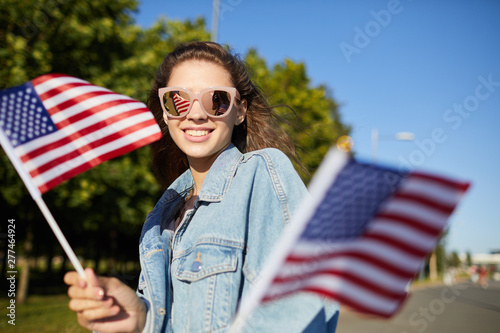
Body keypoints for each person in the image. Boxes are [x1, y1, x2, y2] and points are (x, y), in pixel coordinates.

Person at [64, 41, 339, 332]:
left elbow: (298, 314)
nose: (195, 114)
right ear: (165, 112)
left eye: (216, 100)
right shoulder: (160, 220)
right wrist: (141, 319)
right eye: (177, 100)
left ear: (240, 111)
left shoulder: (262, 173)